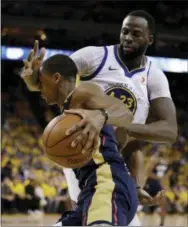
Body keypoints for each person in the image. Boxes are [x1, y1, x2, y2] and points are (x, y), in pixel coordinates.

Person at [20, 10, 177, 225]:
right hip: (81, 152)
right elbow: (57, 80)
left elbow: (168, 131)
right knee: (95, 210)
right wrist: (34, 82)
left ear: (150, 38)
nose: (128, 37)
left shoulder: (154, 76)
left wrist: (112, 123)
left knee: (101, 209)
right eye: (124, 31)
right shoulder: (94, 57)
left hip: (114, 166)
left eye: (136, 33)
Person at [25, 53, 139, 226]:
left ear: (56, 78)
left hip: (107, 184)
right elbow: (40, 86)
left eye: (41, 81)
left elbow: (125, 113)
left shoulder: (83, 93)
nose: (39, 88)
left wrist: (102, 115)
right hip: (90, 192)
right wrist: (29, 79)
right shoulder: (67, 106)